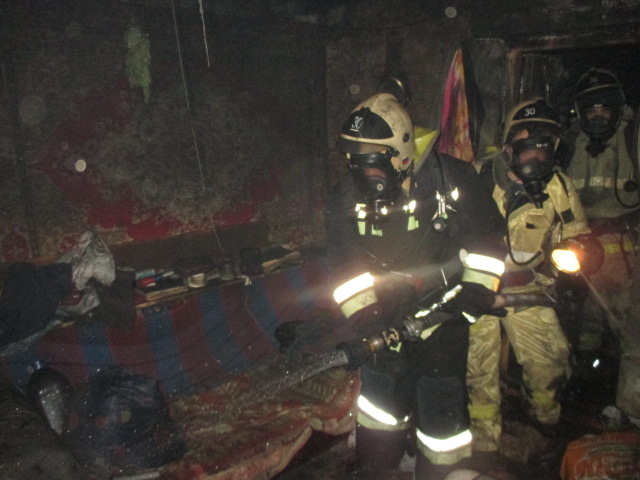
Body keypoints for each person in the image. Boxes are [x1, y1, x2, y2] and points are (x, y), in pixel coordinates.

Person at [327, 82, 507, 479]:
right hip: (382, 318)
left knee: (441, 415)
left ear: (401, 154)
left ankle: (440, 473)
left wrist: (473, 295)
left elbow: (490, 241)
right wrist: (367, 318)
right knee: (379, 409)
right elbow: (342, 265)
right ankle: (376, 468)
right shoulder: (345, 197)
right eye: (354, 161)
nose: (363, 173)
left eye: (372, 161)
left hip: (443, 316)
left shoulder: (452, 181)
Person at [468, 98, 595, 453]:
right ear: (509, 146)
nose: (536, 153)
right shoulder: (476, 178)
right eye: (527, 142)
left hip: (528, 288)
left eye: (544, 144)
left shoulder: (558, 185)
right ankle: (484, 439)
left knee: (549, 362)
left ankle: (542, 418)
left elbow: (577, 233)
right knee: (478, 368)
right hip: (478, 289)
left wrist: (579, 256)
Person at [563, 67, 640, 424]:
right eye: (590, 109)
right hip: (580, 251)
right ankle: (585, 380)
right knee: (586, 322)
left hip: (628, 253)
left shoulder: (633, 140)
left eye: (604, 108)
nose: (597, 116)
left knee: (632, 331)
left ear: (617, 109)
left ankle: (631, 412)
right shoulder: (570, 144)